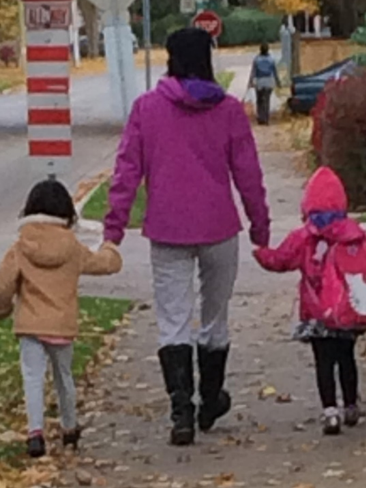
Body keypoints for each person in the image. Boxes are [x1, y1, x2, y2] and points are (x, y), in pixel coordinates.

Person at [104, 27, 270, 446]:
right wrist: (260, 226)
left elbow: (127, 172)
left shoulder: (147, 109)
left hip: (167, 227)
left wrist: (114, 230)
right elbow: (248, 174)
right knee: (215, 317)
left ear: (171, 59)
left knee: (173, 319)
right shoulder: (228, 110)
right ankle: (211, 398)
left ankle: (181, 409)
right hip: (219, 228)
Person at [0, 180, 123, 458]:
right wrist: (111, 248)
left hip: (30, 325)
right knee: (64, 377)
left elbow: (3, 285)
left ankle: (35, 433)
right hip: (62, 325)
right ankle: (69, 427)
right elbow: (103, 264)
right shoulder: (73, 248)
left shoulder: (20, 247)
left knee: (32, 377)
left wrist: (1, 310)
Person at [252, 167, 365, 435]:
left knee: (323, 361)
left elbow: (281, 260)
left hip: (316, 312)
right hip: (345, 310)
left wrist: (261, 252)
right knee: (346, 358)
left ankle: (330, 412)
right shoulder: (353, 234)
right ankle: (351, 404)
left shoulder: (303, 237)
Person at [248, 43, 282, 125]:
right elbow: (275, 72)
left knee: (259, 100)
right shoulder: (271, 59)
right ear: (267, 50)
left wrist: (250, 82)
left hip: (259, 81)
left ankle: (260, 118)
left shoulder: (256, 59)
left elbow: (253, 72)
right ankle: (266, 118)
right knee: (267, 100)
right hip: (269, 82)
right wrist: (278, 82)